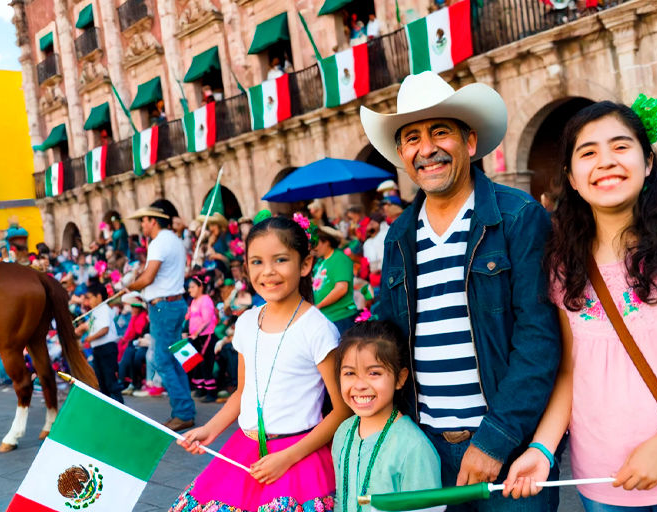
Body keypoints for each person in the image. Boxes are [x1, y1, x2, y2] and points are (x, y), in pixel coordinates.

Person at [502, 101, 657, 510]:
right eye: (588, 153)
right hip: (603, 479)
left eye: (620, 147)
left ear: (648, 162)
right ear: (572, 179)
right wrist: (542, 450)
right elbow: (569, 371)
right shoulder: (563, 263)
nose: (605, 162)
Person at [361, 71, 561, 510]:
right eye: (412, 137)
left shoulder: (518, 218)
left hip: (507, 449)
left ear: (469, 142)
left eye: (439, 132)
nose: (426, 148)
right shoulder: (398, 236)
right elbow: (390, 338)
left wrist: (496, 438)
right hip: (422, 449)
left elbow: (539, 339)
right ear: (401, 154)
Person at [172, 215, 349, 512]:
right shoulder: (246, 323)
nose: (268, 272)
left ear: (305, 265)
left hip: (297, 455)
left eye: (280, 260)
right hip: (244, 449)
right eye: (257, 262)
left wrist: (288, 457)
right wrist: (211, 429)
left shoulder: (317, 329)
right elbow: (242, 393)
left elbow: (342, 408)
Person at [333, 320, 443, 512]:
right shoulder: (342, 433)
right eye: (350, 373)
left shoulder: (414, 448)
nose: (360, 385)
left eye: (374, 373)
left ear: (400, 378)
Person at [127, 201, 196, 431]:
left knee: (162, 361)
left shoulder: (158, 242)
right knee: (174, 359)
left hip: (163, 308)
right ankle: (184, 410)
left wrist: (130, 286)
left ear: (153, 220)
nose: (142, 225)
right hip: (174, 304)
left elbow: (148, 278)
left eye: (144, 220)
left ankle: (183, 412)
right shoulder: (174, 240)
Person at [77, 282, 123, 403]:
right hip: (98, 349)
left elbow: (104, 329)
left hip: (106, 349)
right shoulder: (96, 311)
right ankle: (108, 407)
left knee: (110, 382)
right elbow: (92, 326)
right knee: (102, 382)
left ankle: (119, 407)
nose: (88, 301)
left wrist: (89, 339)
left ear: (98, 296)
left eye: (90, 297)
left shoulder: (103, 309)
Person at [313, 225, 359, 333]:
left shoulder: (340, 258)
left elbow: (341, 288)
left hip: (341, 317)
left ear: (327, 241)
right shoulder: (321, 262)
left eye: (317, 243)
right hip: (326, 318)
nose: (314, 247)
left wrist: (318, 306)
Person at [187, 276, 218, 402]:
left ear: (201, 287)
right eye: (189, 287)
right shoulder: (194, 302)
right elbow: (188, 316)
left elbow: (207, 319)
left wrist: (196, 333)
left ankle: (211, 392)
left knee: (206, 364)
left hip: (205, 336)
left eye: (192, 287)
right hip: (196, 337)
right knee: (198, 364)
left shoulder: (206, 300)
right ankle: (201, 389)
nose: (190, 290)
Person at [118, 292, 150, 395]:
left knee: (130, 355)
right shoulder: (134, 317)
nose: (131, 310)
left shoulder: (143, 317)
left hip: (141, 342)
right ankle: (125, 381)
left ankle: (129, 382)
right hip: (134, 342)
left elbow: (137, 333)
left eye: (133, 308)